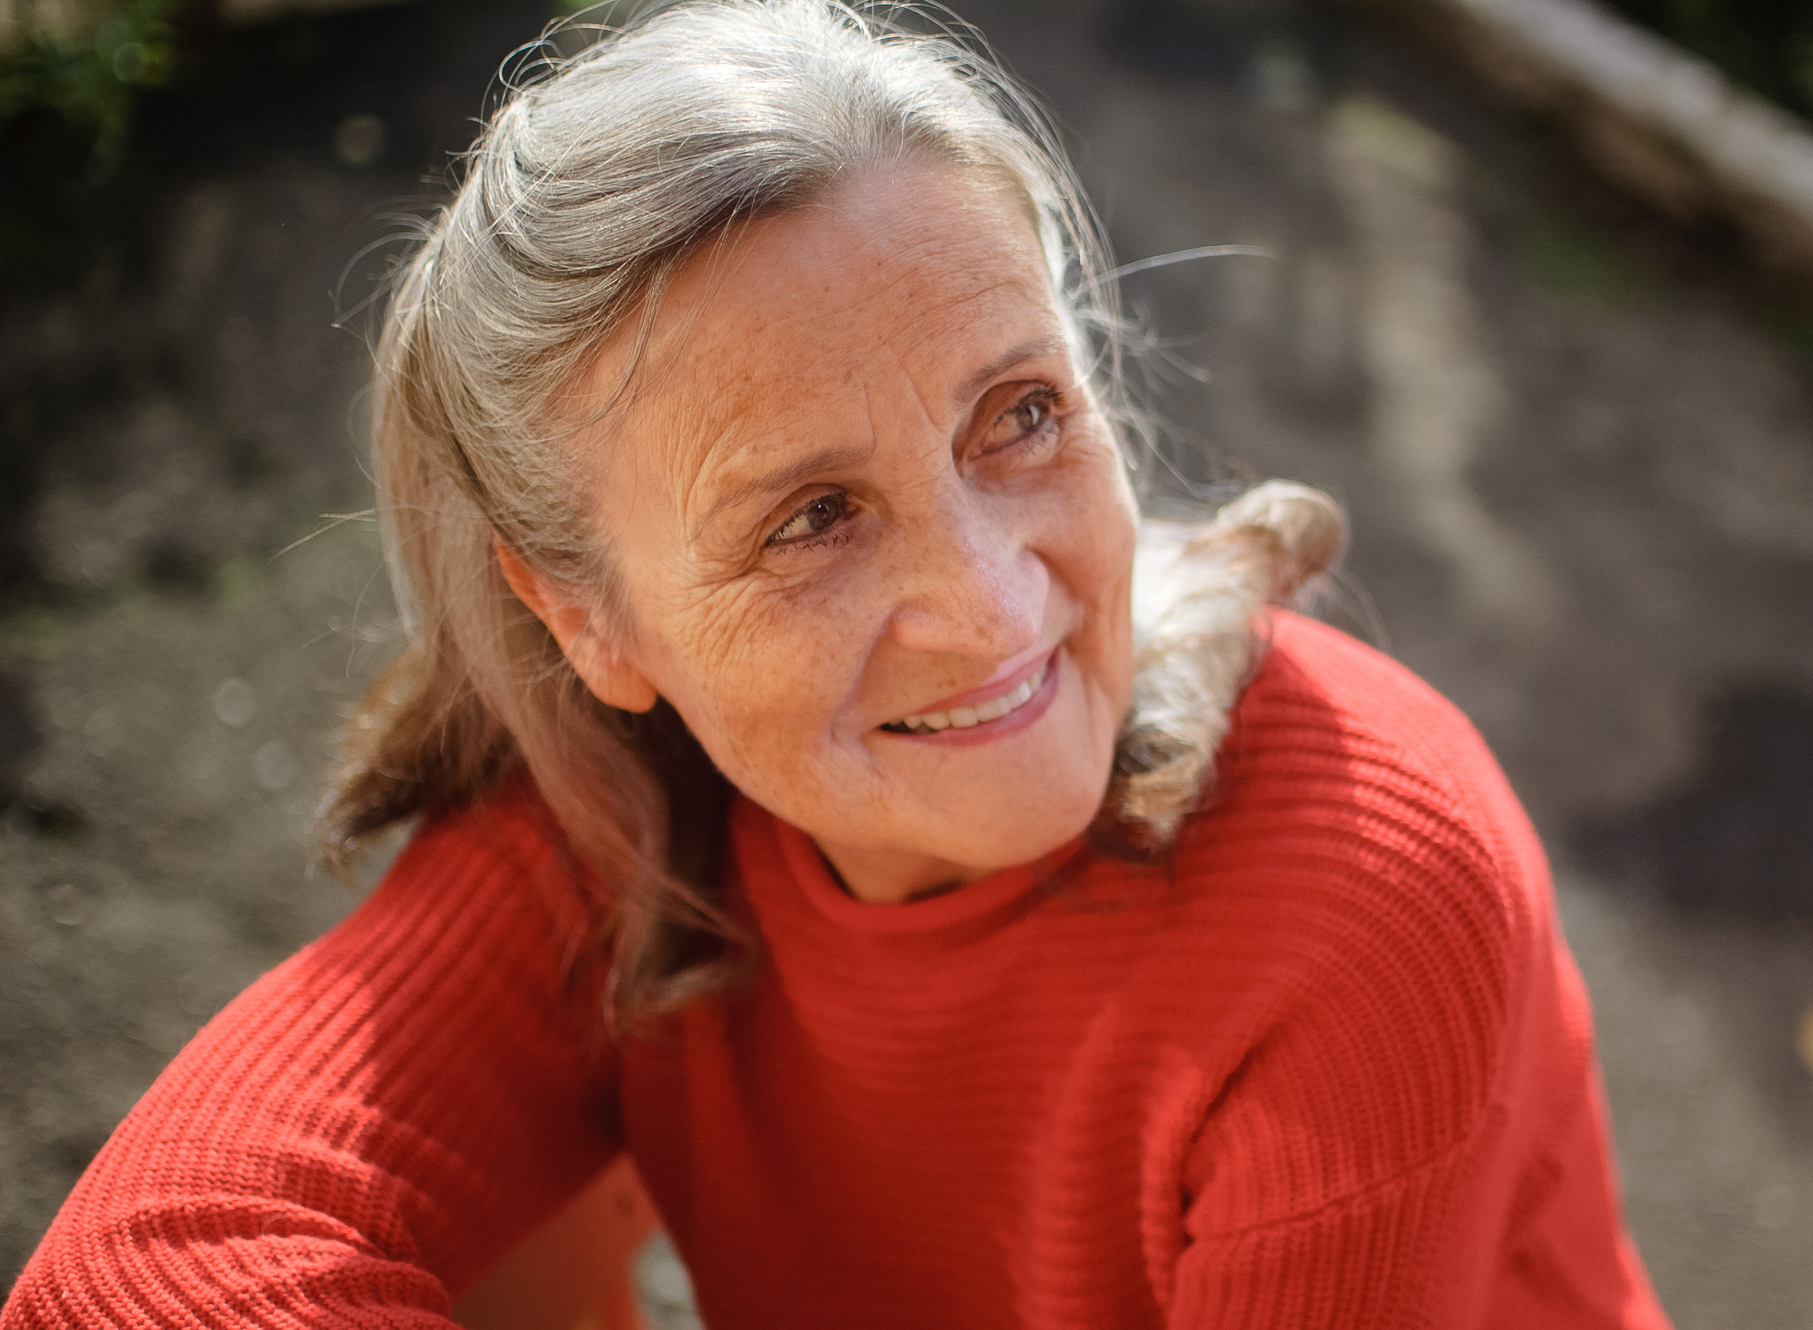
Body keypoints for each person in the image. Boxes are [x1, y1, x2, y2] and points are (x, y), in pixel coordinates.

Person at [3, 2, 1671, 1327]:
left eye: (1019, 414)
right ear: (591, 621)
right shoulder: (621, 828)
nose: (991, 600)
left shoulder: (1367, 888)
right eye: (810, 517)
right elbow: (137, 1280)